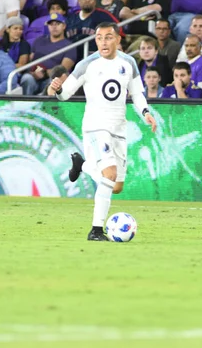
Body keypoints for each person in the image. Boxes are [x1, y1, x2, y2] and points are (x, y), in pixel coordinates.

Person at [47, 22, 157, 241]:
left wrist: (145, 112)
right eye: (99, 38)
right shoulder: (86, 64)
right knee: (109, 174)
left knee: (116, 186)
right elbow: (65, 94)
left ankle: (83, 165)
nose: (104, 42)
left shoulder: (129, 63)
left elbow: (136, 93)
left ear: (117, 39)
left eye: (108, 37)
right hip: (96, 126)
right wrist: (57, 89)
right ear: (95, 40)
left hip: (119, 127)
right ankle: (96, 230)